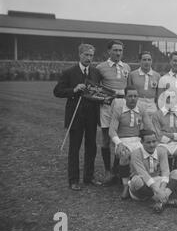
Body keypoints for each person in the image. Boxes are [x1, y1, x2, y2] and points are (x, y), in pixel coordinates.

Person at [53, 44, 102, 191]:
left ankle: (89, 177)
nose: (88, 58)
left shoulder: (95, 72)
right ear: (79, 55)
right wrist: (73, 90)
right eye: (86, 55)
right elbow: (57, 91)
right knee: (74, 148)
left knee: (91, 147)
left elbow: (98, 90)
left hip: (92, 115)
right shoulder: (69, 72)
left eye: (91, 55)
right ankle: (73, 180)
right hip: (76, 115)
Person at [96, 40, 132, 186]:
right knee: (106, 138)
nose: (118, 53)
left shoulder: (127, 67)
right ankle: (107, 171)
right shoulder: (100, 68)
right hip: (106, 106)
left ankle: (117, 170)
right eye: (115, 50)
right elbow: (95, 89)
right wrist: (102, 99)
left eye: (120, 50)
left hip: (122, 105)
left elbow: (129, 87)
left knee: (120, 137)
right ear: (109, 51)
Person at [109, 86, 153, 199]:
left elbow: (148, 126)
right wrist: (118, 143)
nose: (133, 98)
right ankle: (125, 186)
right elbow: (112, 130)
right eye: (130, 96)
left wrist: (149, 140)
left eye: (135, 96)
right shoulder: (118, 109)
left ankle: (142, 182)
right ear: (125, 97)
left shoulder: (141, 109)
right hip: (122, 140)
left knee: (145, 153)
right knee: (124, 155)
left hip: (137, 140)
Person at [128, 130, 177, 213]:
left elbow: (165, 172)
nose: (152, 145)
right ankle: (164, 201)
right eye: (148, 142)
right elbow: (144, 175)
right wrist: (158, 191)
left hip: (158, 183)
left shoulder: (161, 150)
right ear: (142, 142)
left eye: (154, 141)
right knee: (136, 180)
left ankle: (161, 201)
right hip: (142, 185)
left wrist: (162, 190)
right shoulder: (136, 154)